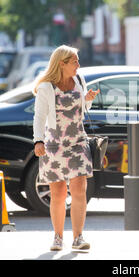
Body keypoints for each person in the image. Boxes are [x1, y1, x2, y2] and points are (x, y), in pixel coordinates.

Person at [33, 45, 99, 251]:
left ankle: (78, 237)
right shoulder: (46, 87)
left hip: (78, 142)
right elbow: (40, 116)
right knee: (59, 193)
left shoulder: (79, 80)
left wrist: (87, 100)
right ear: (62, 63)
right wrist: (38, 140)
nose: (78, 65)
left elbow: (79, 110)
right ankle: (58, 237)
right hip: (54, 144)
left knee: (80, 189)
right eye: (74, 62)